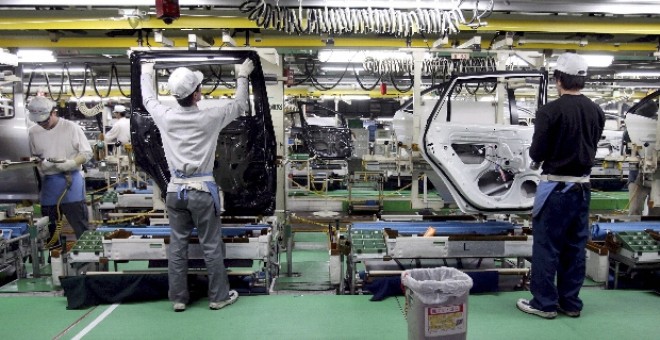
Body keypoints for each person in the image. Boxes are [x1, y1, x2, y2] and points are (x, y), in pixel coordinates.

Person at [141, 58, 254, 312]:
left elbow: (148, 100)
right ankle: (218, 297)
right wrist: (242, 76)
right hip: (202, 192)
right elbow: (240, 104)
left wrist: (146, 71)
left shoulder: (166, 117)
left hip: (174, 192)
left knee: (178, 247)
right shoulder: (209, 117)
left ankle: (179, 299)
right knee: (211, 246)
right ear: (196, 96)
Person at [517, 53, 605, 319]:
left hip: (556, 189)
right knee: (575, 248)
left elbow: (537, 153)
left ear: (557, 79)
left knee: (547, 246)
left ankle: (543, 303)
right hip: (582, 189)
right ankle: (570, 303)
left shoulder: (549, 112)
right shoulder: (596, 111)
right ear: (583, 80)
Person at [27, 96, 92, 245]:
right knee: (50, 231)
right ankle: (55, 262)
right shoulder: (33, 132)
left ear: (53, 112)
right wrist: (42, 163)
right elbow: (33, 157)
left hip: (71, 180)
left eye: (45, 120)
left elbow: (87, 153)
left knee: (80, 227)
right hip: (49, 184)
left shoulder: (70, 128)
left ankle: (86, 261)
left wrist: (71, 163)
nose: (42, 124)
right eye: (38, 122)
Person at [624, 99, 658, 215]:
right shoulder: (630, 130)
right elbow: (627, 152)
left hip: (657, 179)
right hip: (637, 178)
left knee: (655, 213)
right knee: (635, 211)